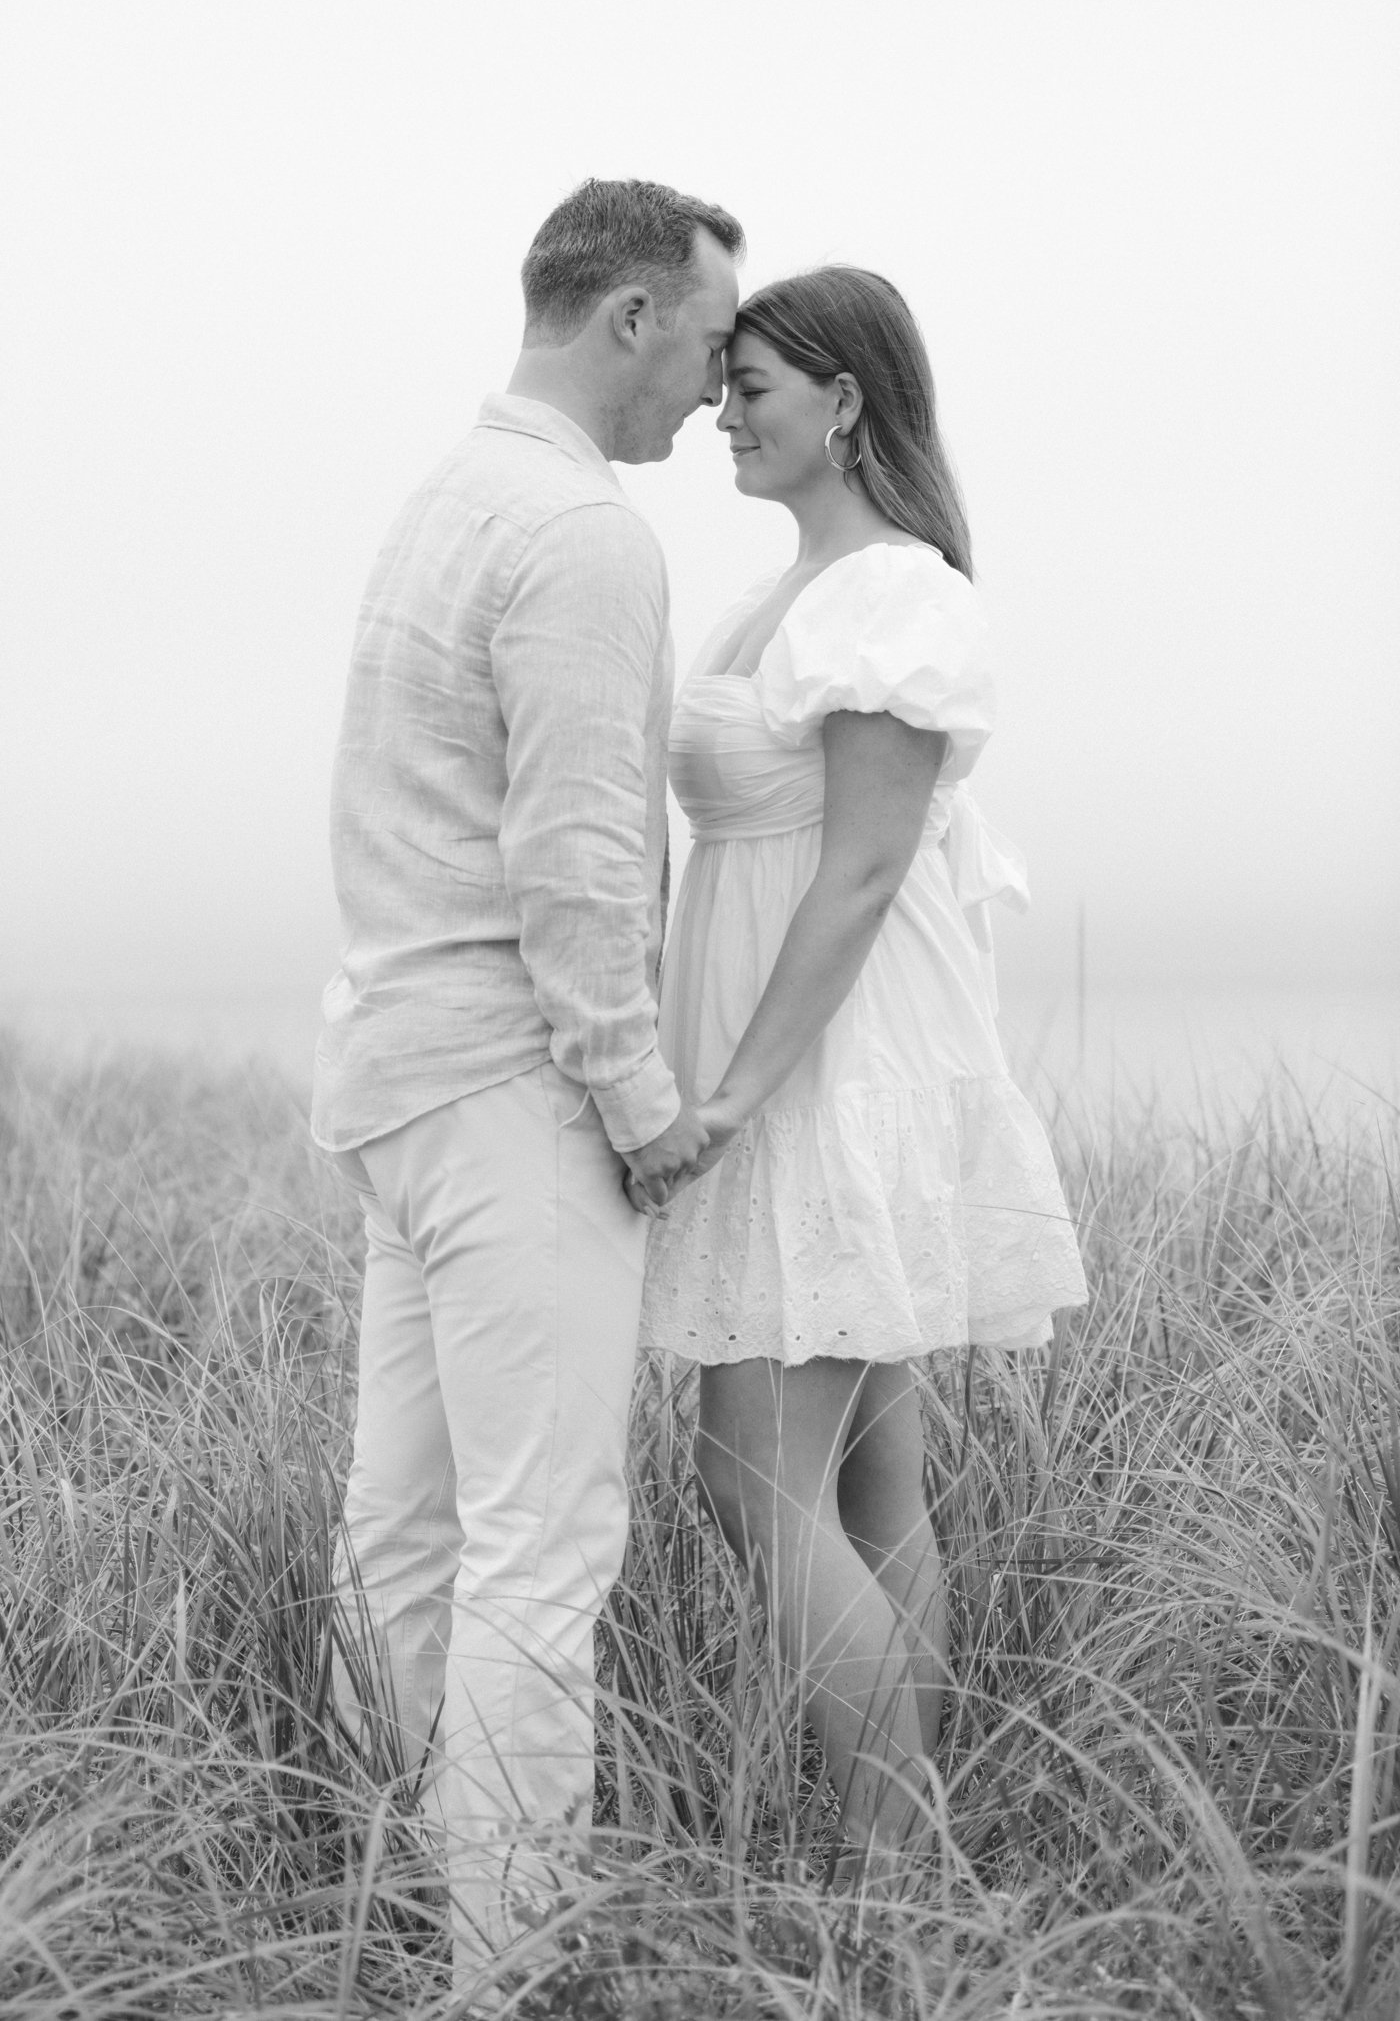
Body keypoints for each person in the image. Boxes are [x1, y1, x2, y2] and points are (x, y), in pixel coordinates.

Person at [309, 178, 743, 1978]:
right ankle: (513, 1970)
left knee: (402, 1531)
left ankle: (364, 1922)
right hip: (511, 1097)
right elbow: (577, 866)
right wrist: (643, 1111)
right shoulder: (580, 533)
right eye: (713, 341)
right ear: (630, 316)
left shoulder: (445, 498)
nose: (719, 389)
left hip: (396, 1080)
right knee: (540, 1557)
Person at [640, 265, 1088, 1867]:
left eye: (751, 385)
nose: (721, 414)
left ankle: (891, 1866)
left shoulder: (894, 595)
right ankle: (906, 1868)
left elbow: (861, 872)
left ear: (843, 402)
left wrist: (738, 1093)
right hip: (792, 1048)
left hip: (824, 1065)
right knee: (867, 1473)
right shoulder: (789, 590)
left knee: (757, 1480)